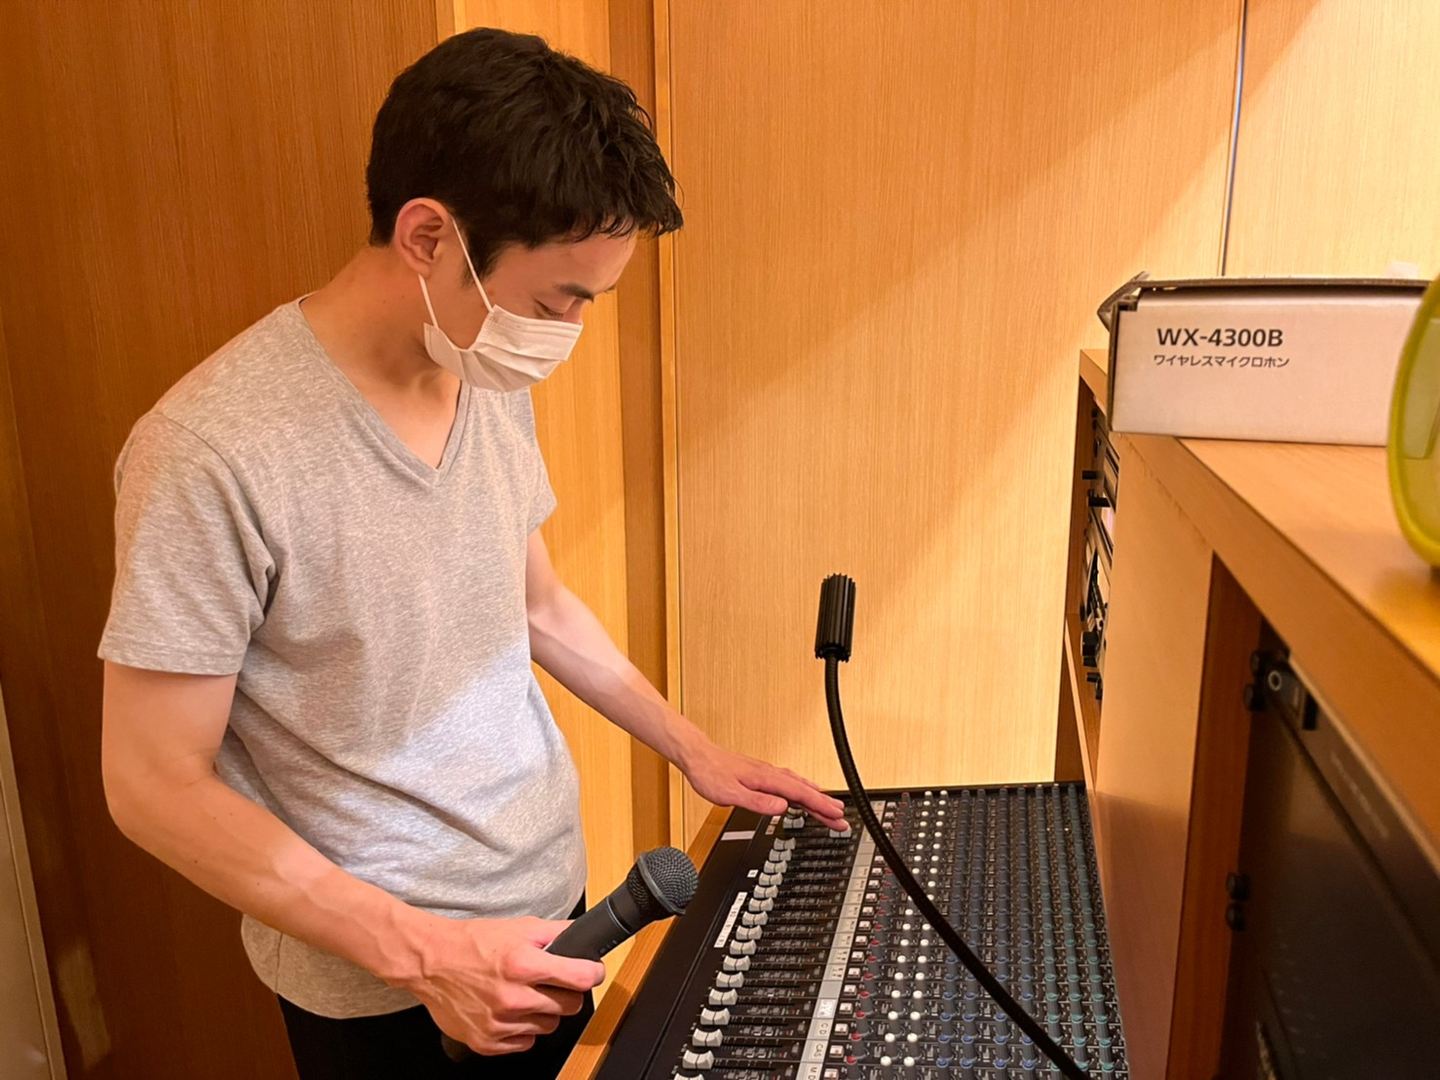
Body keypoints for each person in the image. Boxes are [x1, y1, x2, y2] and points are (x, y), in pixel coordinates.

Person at [98, 27, 846, 1080]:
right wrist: (424, 954)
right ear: (427, 236)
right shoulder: (209, 452)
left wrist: (694, 749)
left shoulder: (480, 367)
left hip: (553, 907)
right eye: (557, 300)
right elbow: (150, 783)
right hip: (386, 986)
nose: (569, 330)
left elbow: (536, 604)